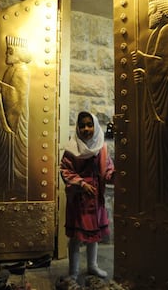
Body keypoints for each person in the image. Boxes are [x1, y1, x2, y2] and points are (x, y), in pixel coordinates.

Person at [131, 0, 168, 214]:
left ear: (161, 10)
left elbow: (165, 66)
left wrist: (143, 60)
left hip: (164, 104)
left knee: (163, 150)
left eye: (152, 10)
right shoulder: (157, 31)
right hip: (153, 100)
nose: (149, 15)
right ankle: (156, 199)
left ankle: (166, 200)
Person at [60, 111, 115, 281]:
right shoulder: (72, 149)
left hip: (95, 198)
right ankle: (73, 272)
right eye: (82, 125)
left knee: (94, 235)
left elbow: (107, 169)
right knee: (76, 237)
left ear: (95, 126)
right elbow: (65, 171)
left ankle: (92, 266)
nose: (86, 129)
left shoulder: (101, 147)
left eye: (89, 125)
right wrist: (82, 184)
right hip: (79, 199)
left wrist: (114, 175)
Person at [0, 35, 31, 201]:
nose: (6, 54)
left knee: (14, 157)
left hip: (16, 120)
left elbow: (16, 97)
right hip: (7, 116)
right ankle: (4, 190)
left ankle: (15, 191)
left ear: (18, 53)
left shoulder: (22, 70)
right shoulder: (11, 70)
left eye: (10, 51)